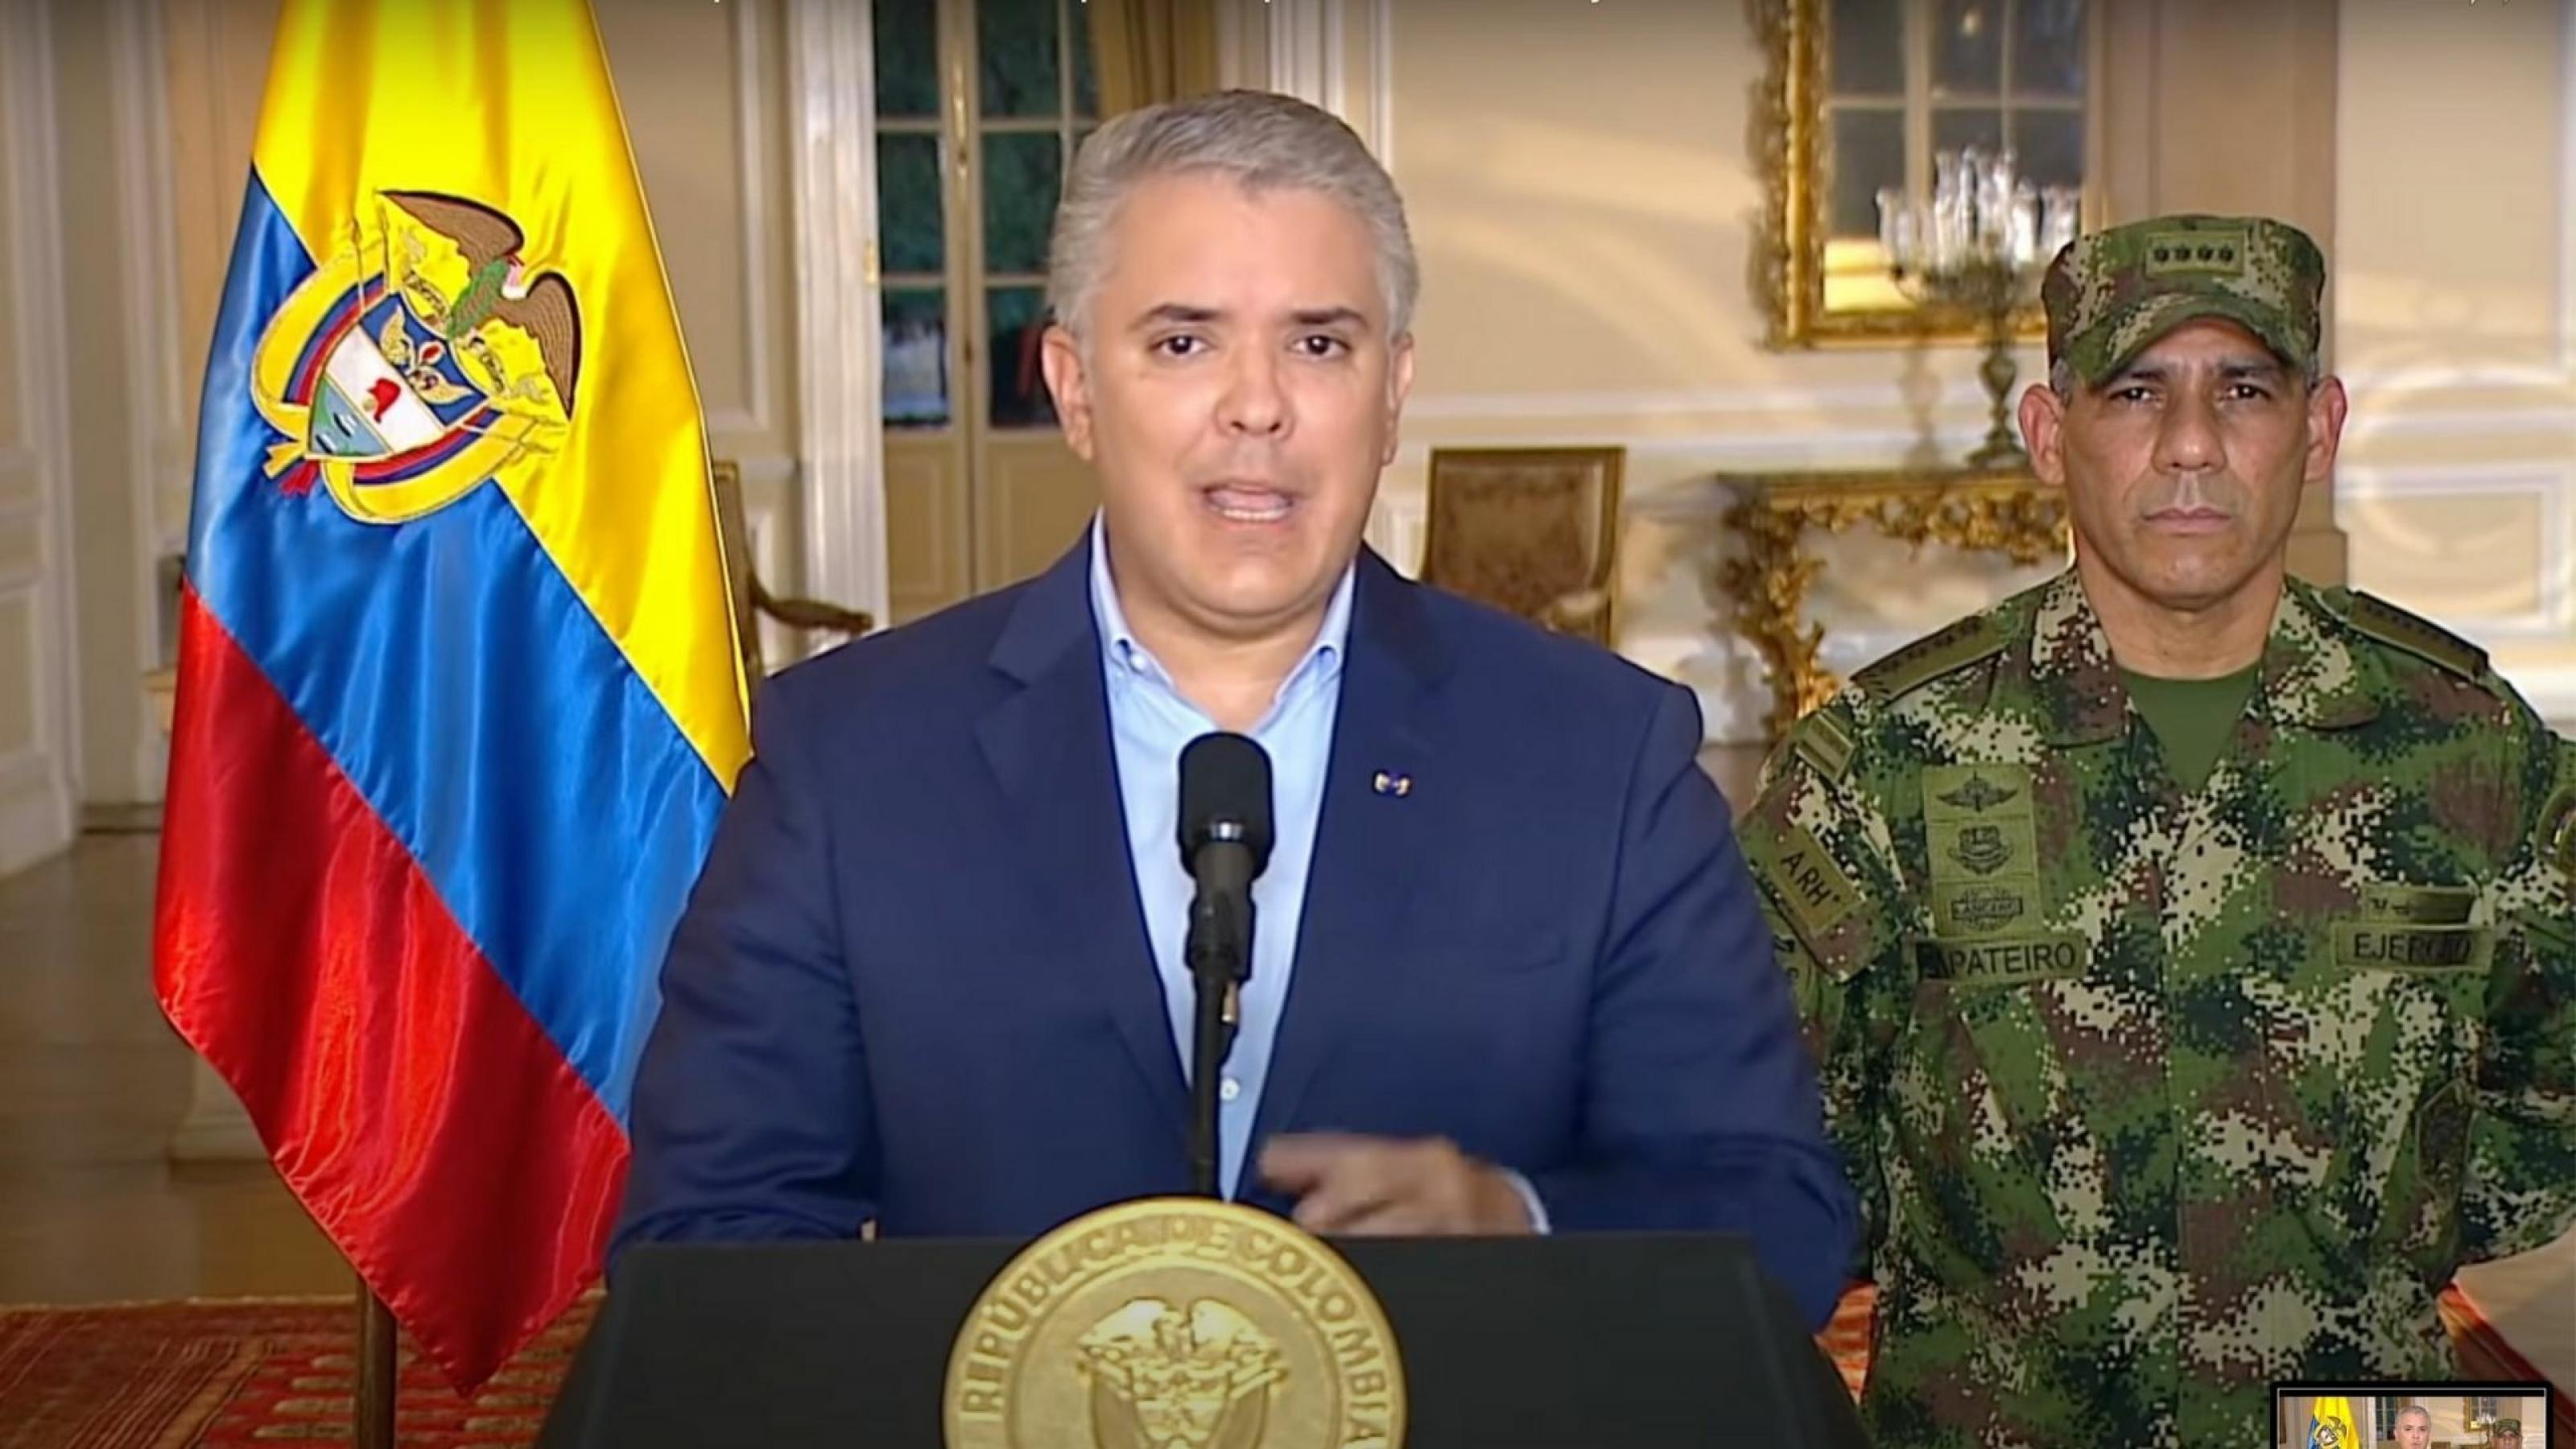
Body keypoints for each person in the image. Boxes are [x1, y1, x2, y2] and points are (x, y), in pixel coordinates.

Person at [610, 89, 1855, 1327]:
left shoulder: (1603, 756)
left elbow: (1778, 1218)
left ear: (1393, 390)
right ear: (1075, 387)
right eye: (1184, 342)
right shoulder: (853, 757)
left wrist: (1518, 1225)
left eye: (1319, 343)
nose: (1257, 406)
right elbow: (709, 1239)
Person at [1739, 213, 2576, 1443]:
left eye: (2244, 389)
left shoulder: (2471, 748)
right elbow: (1775, 1132)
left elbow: (2551, 1091)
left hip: (2355, 1423)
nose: (2191, 447)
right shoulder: (1884, 761)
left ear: (2322, 429)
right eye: (2137, 392)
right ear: (2048, 435)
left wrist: (2343, 1255)